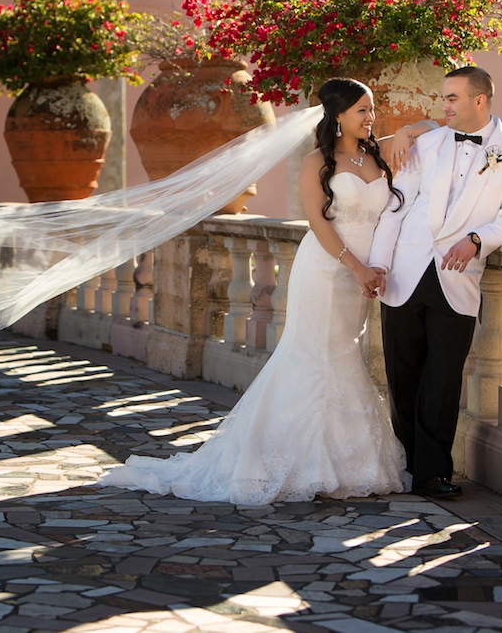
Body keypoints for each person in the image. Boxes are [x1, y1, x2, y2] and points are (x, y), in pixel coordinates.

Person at [97, 78, 437, 504]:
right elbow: (318, 223)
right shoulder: (317, 162)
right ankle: (296, 460)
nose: (371, 118)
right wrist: (356, 267)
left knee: (346, 355)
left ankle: (346, 462)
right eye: (361, 111)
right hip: (329, 268)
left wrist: (405, 131)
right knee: (314, 357)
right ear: (337, 116)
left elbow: (433, 126)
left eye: (372, 110)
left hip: (365, 274)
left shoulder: (381, 151)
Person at [367, 66, 502, 500]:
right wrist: (378, 266)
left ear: (479, 100)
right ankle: (408, 465)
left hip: (457, 278)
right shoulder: (426, 143)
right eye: (443, 97)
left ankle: (432, 474)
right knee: (402, 376)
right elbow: (395, 207)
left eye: (452, 99)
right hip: (403, 274)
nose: (443, 106)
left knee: (443, 380)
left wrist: (478, 239)